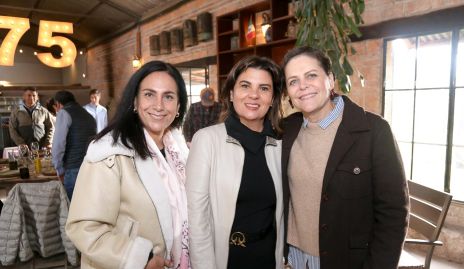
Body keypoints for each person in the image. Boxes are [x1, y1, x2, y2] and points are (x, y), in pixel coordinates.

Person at [281, 46, 409, 269]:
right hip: (294, 257)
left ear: (330, 79)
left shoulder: (374, 131)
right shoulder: (286, 130)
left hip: (345, 260)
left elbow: (393, 214)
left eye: (311, 75)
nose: (302, 86)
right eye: (293, 81)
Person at [66, 60, 190, 269]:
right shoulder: (109, 152)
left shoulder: (179, 151)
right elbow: (84, 227)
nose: (159, 105)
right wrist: (142, 258)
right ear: (135, 101)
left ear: (178, 106)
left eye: (168, 96)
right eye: (149, 94)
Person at [187, 56, 285, 269]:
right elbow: (197, 220)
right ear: (231, 94)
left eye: (264, 88)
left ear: (273, 98)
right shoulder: (207, 140)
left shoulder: (280, 145)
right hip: (227, 259)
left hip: (269, 257)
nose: (254, 95)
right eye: (245, 85)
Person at [52, 91, 96, 200]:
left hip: (73, 168)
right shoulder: (89, 115)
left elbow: (58, 144)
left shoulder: (63, 113)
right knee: (88, 205)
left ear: (58, 104)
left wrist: (59, 169)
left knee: (73, 209)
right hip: (91, 167)